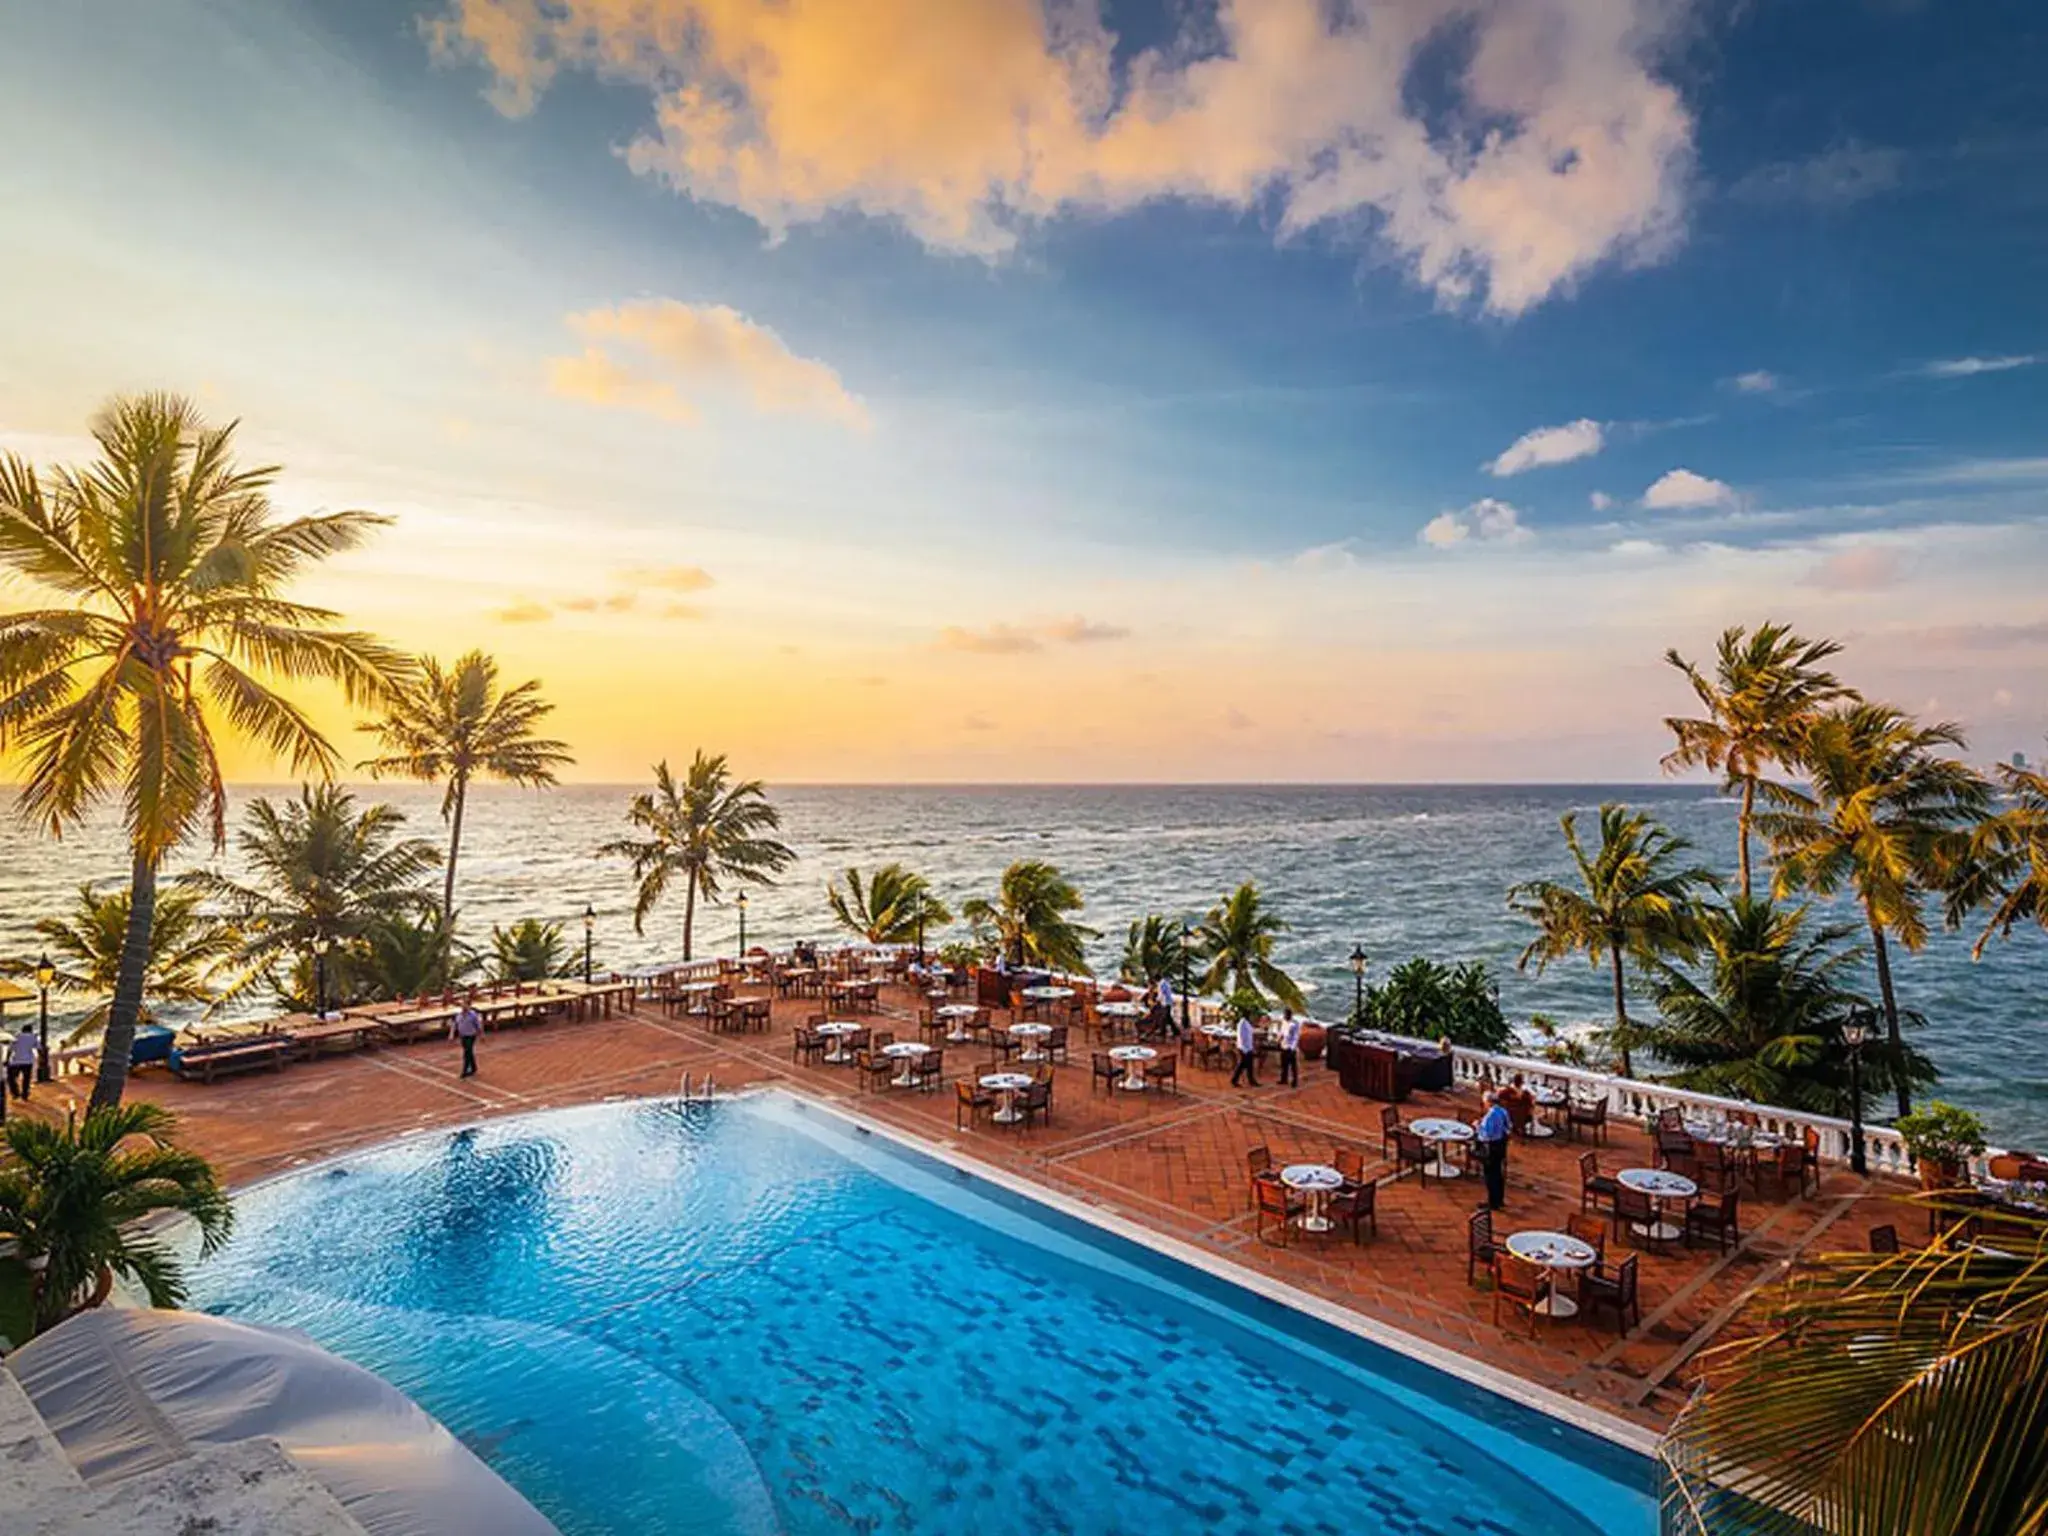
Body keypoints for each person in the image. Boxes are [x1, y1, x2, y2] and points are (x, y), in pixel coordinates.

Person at [1475, 1090, 1512, 1210]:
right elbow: (1509, 1127)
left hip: (1491, 1147)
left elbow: (1486, 1135)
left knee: (1490, 1175)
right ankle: (1499, 1199)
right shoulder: (1503, 1111)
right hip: (1501, 1146)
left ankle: (1492, 1202)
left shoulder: (1490, 1115)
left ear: (1488, 1102)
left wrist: (1477, 1127)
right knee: (1498, 1173)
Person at [452, 993, 483, 1078]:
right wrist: (452, 1034)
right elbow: (455, 1024)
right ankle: (473, 1067)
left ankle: (465, 1071)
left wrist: (481, 1035)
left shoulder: (473, 1015)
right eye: (462, 1004)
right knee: (469, 1052)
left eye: (465, 1004)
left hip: (471, 1035)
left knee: (467, 1052)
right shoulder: (459, 1014)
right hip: (463, 1036)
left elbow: (478, 1025)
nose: (463, 1006)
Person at [5, 1022, 37, 1101]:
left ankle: (15, 1093)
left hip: (16, 1061)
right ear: (30, 1030)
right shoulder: (32, 1037)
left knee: (11, 1077)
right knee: (26, 1079)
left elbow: (10, 1049)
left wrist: (7, 1059)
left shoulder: (16, 1036)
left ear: (22, 1030)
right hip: (28, 1061)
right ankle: (25, 1095)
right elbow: (39, 1047)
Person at [1230, 1010, 1260, 1088]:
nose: (1252, 1016)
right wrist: (1244, 1049)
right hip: (1244, 1048)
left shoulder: (1246, 1022)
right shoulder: (1242, 1023)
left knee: (1249, 1065)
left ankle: (1250, 1080)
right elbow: (1241, 1036)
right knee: (1242, 1065)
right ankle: (1235, 1080)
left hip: (1248, 1047)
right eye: (1250, 1015)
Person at [1277, 1010, 1302, 1088]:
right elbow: (1281, 1032)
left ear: (1290, 1015)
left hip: (1290, 1047)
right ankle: (1283, 1079)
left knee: (1293, 1066)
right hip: (1283, 1045)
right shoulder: (1283, 1022)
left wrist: (1293, 1048)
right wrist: (1278, 1040)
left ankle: (1294, 1081)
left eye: (1287, 1015)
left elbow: (1296, 1037)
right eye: (1284, 1014)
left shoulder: (1295, 1024)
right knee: (1283, 1064)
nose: (1285, 1016)